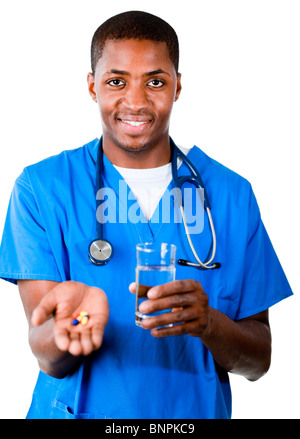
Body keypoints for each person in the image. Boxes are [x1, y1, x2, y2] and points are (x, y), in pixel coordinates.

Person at [0, 10, 293, 419]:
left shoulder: (231, 195)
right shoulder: (42, 188)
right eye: (116, 81)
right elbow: (49, 356)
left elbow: (259, 361)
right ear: (92, 87)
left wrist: (208, 322)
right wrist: (73, 327)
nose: (136, 101)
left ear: (177, 88)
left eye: (155, 81)